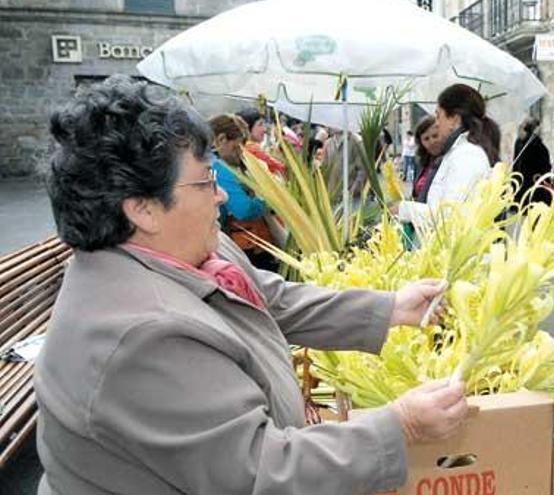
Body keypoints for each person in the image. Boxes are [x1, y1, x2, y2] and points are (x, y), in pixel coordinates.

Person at [36, 75, 468, 495]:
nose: (221, 195)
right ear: (143, 210)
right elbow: (258, 471)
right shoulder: (139, 338)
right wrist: (402, 425)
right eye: (206, 182)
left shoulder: (186, 253)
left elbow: (269, 299)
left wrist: (392, 308)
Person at [394, 84, 497, 228]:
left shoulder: (467, 156)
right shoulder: (456, 152)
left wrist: (404, 209)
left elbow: (450, 217)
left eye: (438, 115)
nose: (436, 124)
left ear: (454, 119)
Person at [209, 113, 277, 271]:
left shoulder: (221, 165)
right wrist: (269, 200)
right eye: (236, 146)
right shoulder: (218, 168)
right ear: (221, 140)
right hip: (244, 248)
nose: (240, 152)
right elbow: (244, 210)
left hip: (247, 245)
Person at [512, 116, 552, 206]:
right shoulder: (537, 145)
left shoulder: (518, 142)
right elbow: (545, 166)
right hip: (533, 187)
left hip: (520, 185)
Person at [236, 107, 286, 176]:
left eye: (263, 124)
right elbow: (280, 169)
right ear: (247, 127)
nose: (264, 129)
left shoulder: (249, 147)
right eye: (260, 124)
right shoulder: (251, 149)